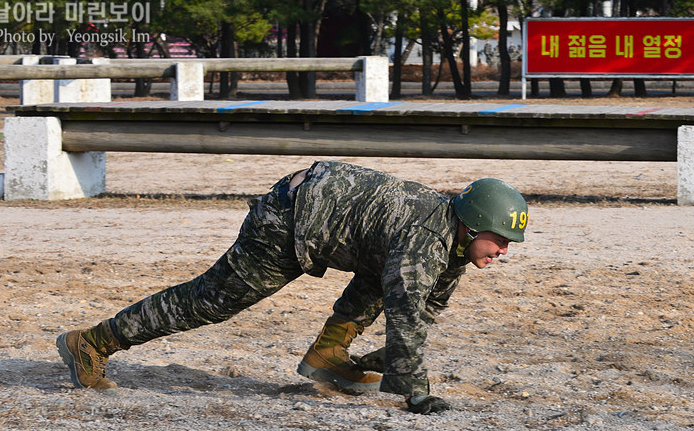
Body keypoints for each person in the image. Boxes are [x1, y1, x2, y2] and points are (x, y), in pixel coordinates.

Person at [55, 161, 529, 415]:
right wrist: (415, 391)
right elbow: (406, 312)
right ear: (472, 226)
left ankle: (328, 355)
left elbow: (426, 309)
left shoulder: (451, 242)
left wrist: (381, 362)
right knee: (213, 300)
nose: (504, 251)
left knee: (383, 280)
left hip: (335, 220)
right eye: (501, 240)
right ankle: (93, 342)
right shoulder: (426, 239)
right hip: (291, 216)